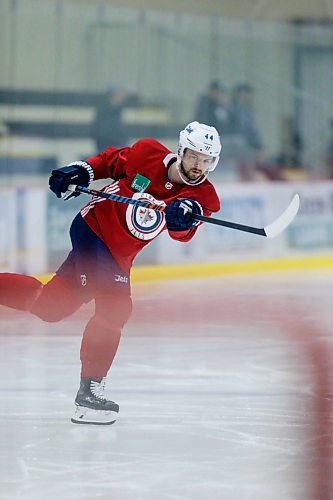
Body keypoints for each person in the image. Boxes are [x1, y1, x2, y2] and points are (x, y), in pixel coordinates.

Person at [0, 121, 222, 425]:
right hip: (93, 228)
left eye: (206, 160)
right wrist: (78, 171)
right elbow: (108, 162)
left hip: (119, 256)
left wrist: (183, 219)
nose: (199, 166)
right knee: (116, 306)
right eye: (194, 156)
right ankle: (88, 394)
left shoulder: (204, 198)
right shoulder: (147, 153)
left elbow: (181, 236)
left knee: (50, 306)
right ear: (181, 151)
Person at [91, 83, 129, 152]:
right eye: (120, 93)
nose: (123, 96)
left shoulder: (118, 110)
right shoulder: (104, 110)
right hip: (108, 147)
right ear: (113, 94)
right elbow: (102, 132)